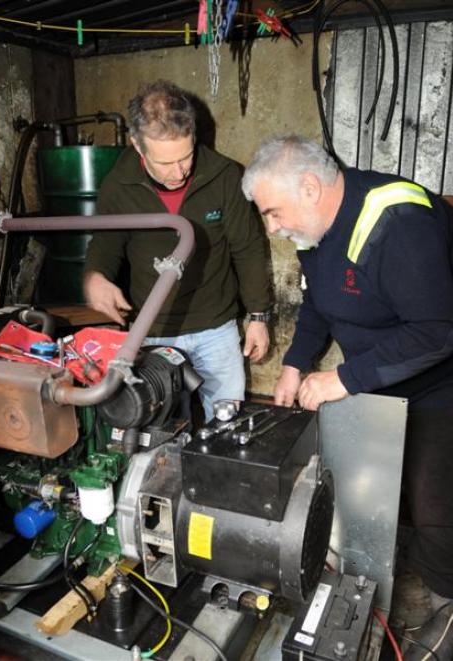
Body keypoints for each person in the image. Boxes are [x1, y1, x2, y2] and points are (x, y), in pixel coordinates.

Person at [242, 135, 453, 660]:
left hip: (439, 383)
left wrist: (343, 380)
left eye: (272, 212)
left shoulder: (398, 224)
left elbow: (437, 332)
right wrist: (294, 365)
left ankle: (448, 611)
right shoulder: (318, 227)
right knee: (367, 491)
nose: (272, 227)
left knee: (435, 509)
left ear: (309, 187)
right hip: (379, 382)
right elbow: (319, 308)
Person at [84, 80, 271, 421]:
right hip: (153, 329)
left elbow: (248, 247)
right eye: (165, 164)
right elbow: (106, 241)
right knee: (156, 426)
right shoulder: (118, 184)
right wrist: (96, 276)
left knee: (226, 421)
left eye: (186, 157)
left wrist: (258, 316)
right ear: (138, 147)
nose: (179, 172)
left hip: (216, 327)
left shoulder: (226, 176)